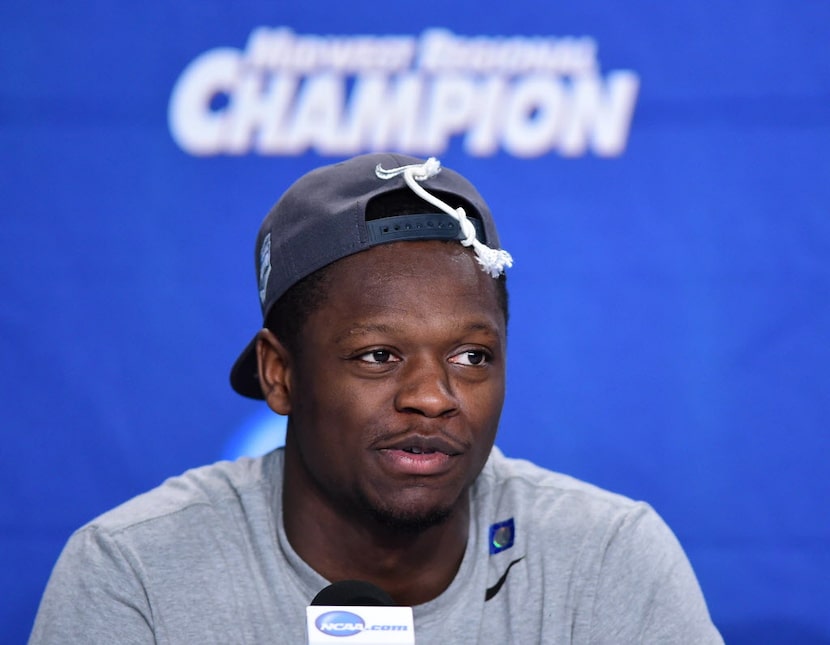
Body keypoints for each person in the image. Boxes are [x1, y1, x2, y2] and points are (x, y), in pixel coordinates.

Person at [30, 153, 722, 643]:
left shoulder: (608, 559)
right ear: (280, 374)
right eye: (378, 355)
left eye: (471, 355)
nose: (433, 396)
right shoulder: (135, 571)